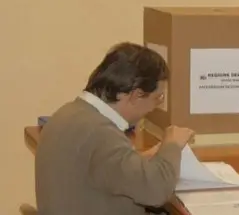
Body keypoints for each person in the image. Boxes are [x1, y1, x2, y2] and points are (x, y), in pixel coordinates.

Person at [35, 42, 195, 215]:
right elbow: (156, 191)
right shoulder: (100, 133)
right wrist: (172, 144)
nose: (154, 107)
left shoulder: (69, 114)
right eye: (158, 97)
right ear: (137, 95)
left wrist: (141, 159)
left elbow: (101, 167)